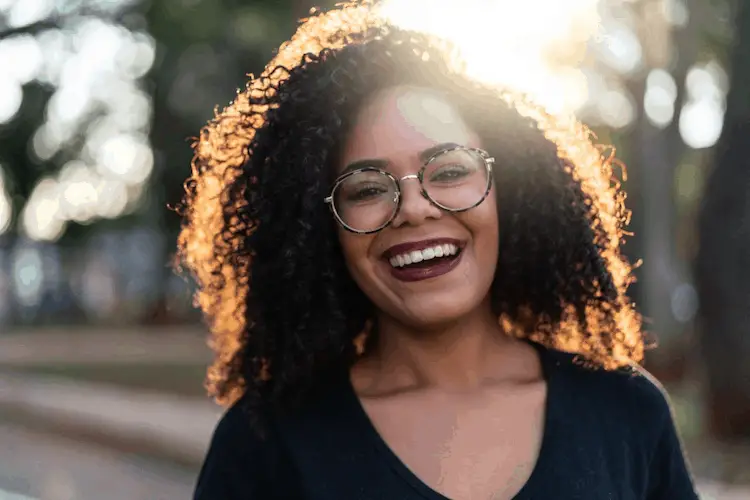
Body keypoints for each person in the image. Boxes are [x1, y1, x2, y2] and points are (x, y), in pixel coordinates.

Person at [176, 2, 700, 498]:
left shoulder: (627, 413)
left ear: (510, 190)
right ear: (317, 230)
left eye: (448, 170)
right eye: (366, 189)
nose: (414, 208)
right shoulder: (265, 446)